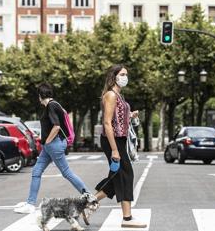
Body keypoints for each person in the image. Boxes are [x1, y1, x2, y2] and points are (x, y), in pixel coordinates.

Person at [14, 83, 89, 214]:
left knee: (66, 172)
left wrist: (47, 142)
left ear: (40, 95)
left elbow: (56, 126)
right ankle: (30, 203)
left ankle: (88, 196)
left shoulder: (51, 106)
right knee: (36, 171)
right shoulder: (54, 105)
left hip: (54, 145)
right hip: (50, 146)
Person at [93, 64, 147, 229]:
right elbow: (107, 123)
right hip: (113, 141)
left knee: (116, 178)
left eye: (126, 74)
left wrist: (130, 115)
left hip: (120, 139)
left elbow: (118, 119)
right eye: (123, 74)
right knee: (126, 175)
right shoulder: (110, 95)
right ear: (114, 76)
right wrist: (115, 149)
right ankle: (127, 218)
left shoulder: (118, 95)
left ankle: (87, 203)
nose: (125, 77)